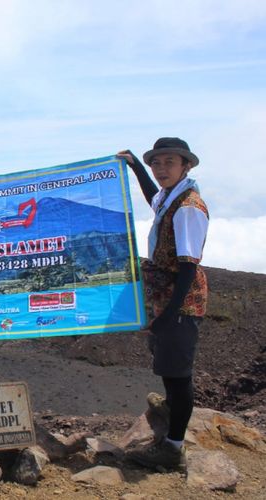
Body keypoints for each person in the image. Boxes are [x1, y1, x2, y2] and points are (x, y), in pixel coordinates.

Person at [118, 138, 209, 470]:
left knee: (178, 374)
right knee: (168, 365)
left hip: (180, 302)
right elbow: (152, 200)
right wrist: (135, 167)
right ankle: (170, 408)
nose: (161, 169)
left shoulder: (188, 207)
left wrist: (170, 313)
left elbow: (188, 263)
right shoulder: (170, 197)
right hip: (167, 298)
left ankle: (173, 447)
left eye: (168, 162)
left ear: (185, 165)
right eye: (156, 163)